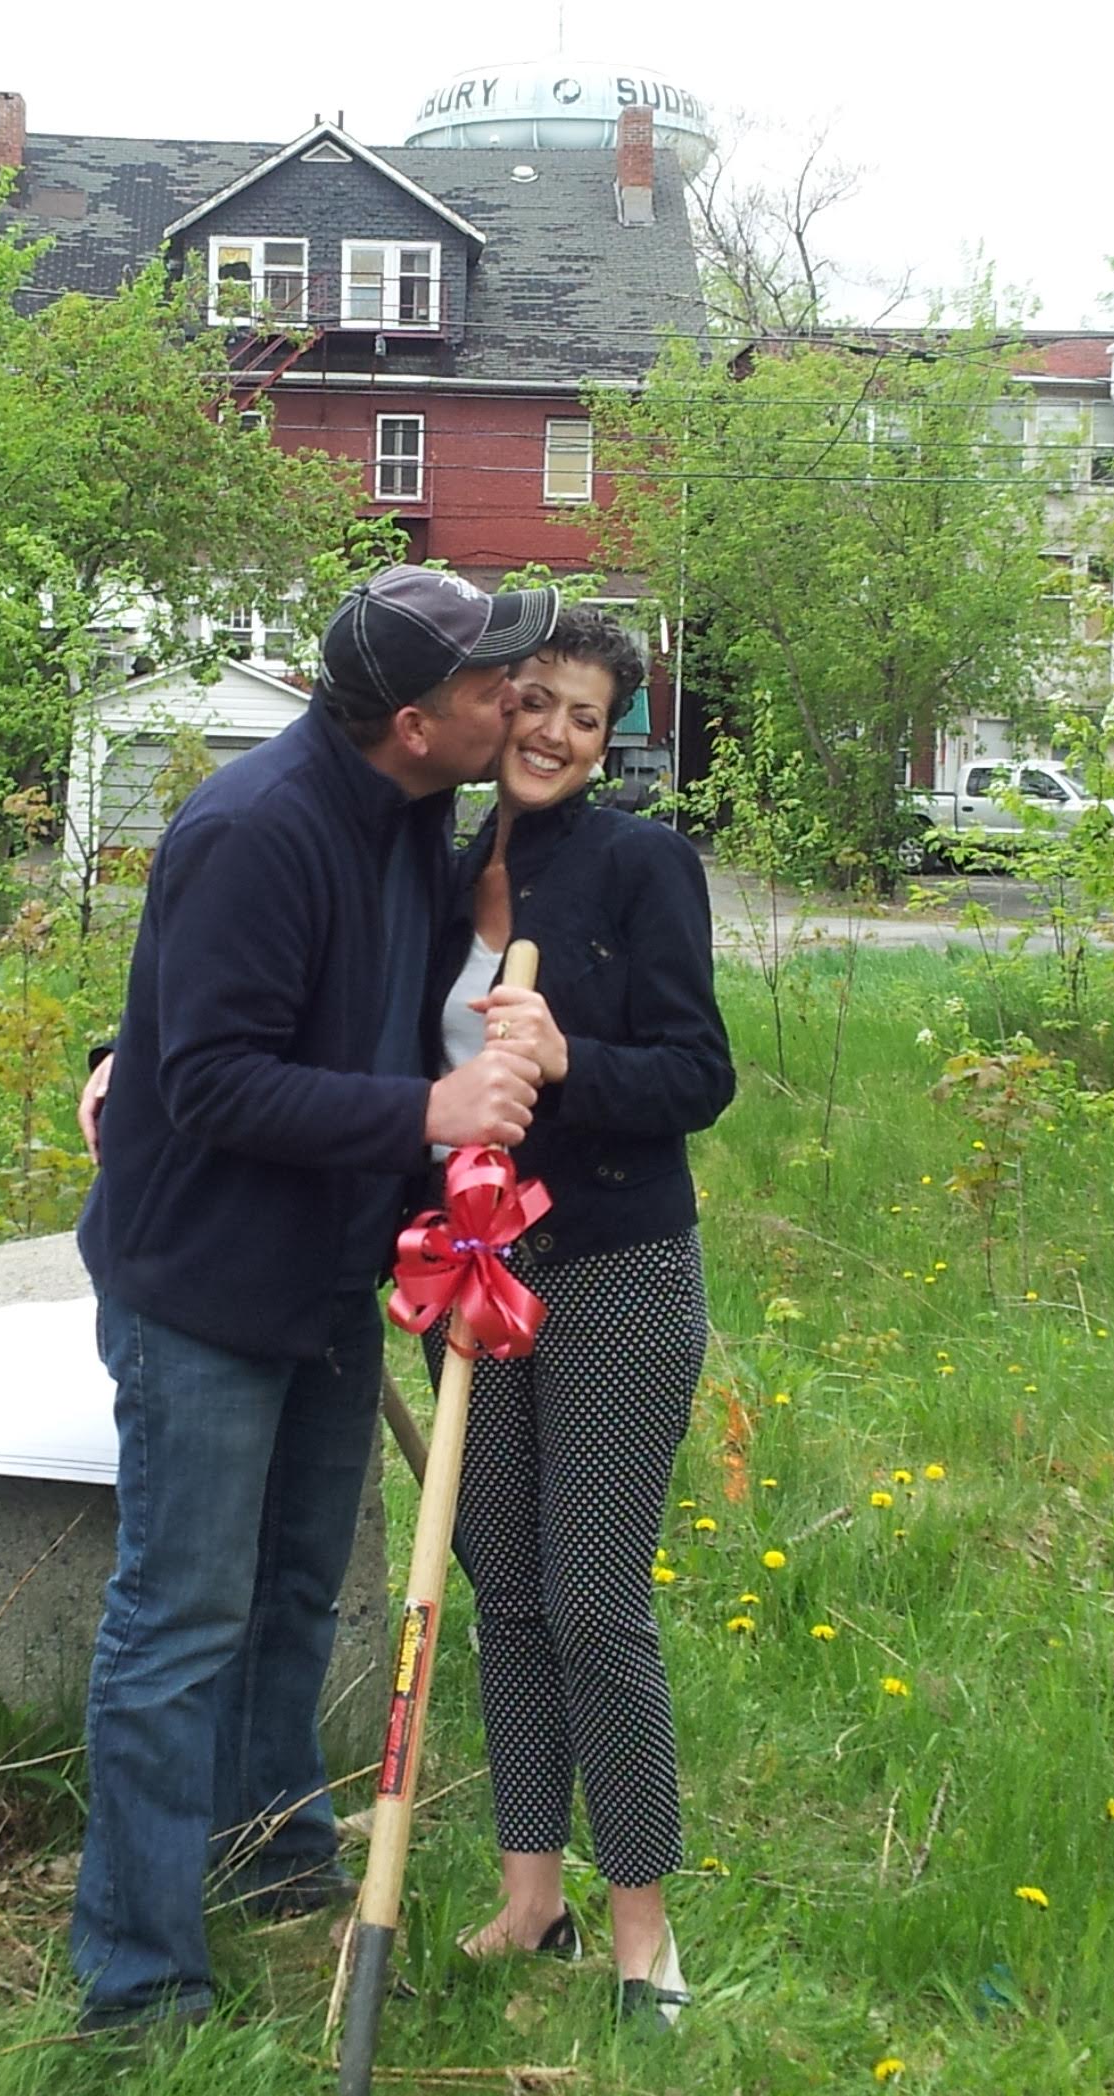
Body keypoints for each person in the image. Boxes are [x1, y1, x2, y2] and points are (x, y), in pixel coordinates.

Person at [67, 565, 555, 2039]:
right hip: (204, 1283)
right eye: (493, 688)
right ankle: (137, 1983)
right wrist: (432, 1106)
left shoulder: (408, 818)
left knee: (292, 1592)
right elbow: (212, 1077)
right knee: (181, 1617)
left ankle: (269, 1853)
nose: (515, 703)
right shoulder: (252, 830)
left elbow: (281, 1007)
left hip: (332, 1272)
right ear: (414, 719)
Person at [425, 604, 734, 2031]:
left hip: (614, 1270)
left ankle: (643, 1935)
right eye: (535, 702)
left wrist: (574, 1059)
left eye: (586, 718)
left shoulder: (640, 864)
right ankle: (532, 1894)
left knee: (598, 1605)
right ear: (491, 707)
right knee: (508, 1597)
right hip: (472, 1278)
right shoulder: (435, 870)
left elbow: (698, 1072)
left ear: (612, 742)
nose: (552, 734)